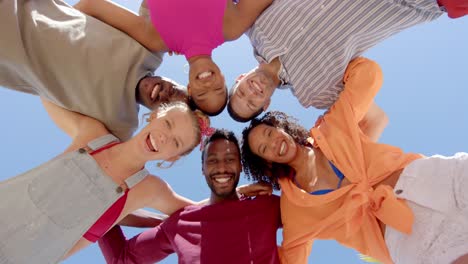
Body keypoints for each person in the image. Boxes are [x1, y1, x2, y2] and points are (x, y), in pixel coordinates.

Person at [240, 57, 468, 263]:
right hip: (405, 237)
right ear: (266, 162)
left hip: (431, 179)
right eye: (263, 148)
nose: (272, 143)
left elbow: (368, 73)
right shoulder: (294, 210)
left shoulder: (331, 128)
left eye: (270, 133)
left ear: (281, 129)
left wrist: (316, 77)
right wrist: (235, 201)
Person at [0, 100, 208, 264]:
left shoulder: (149, 189)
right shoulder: (93, 135)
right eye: (167, 123)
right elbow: (45, 88)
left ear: (172, 157)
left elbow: (205, 215)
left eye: (176, 142)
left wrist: (239, 195)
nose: (165, 137)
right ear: (153, 116)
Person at [227, 0, 468, 122]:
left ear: (239, 79)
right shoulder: (316, 95)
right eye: (252, 104)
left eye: (241, 94)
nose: (251, 94)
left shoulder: (255, 26)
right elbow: (373, 120)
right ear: (266, 104)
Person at [0, 0, 186, 141]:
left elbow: (75, 126)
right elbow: (92, 4)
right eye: (176, 90)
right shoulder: (150, 49)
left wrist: (45, 81)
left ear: (156, 117)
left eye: (168, 105)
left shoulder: (120, 126)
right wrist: (66, 24)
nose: (166, 94)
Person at [97, 129, 282, 264]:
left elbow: (310, 211)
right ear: (203, 169)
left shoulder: (267, 206)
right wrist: (94, 211)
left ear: (240, 166)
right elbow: (120, 259)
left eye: (230, 159)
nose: (222, 167)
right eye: (212, 160)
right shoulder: (180, 223)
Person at [74, 0, 273, 115]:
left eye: (202, 94)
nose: (208, 85)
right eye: (218, 88)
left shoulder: (156, 40)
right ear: (222, 77)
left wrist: (55, 23)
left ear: (190, 88)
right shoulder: (231, 28)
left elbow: (93, 6)